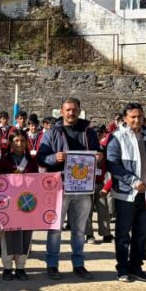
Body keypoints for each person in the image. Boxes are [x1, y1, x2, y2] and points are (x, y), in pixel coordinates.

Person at [37, 97, 103, 280]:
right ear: (61, 111)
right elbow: (41, 157)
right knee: (55, 228)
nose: (71, 113)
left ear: (79, 110)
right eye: (67, 110)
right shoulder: (52, 132)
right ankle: (52, 264)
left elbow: (98, 151)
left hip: (83, 188)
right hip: (60, 187)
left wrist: (99, 156)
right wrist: (54, 158)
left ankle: (79, 264)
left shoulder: (89, 132)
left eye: (74, 110)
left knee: (80, 229)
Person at [107, 103, 146, 283]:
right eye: (133, 117)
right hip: (126, 193)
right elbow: (113, 165)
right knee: (123, 233)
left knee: (142, 233)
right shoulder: (116, 137)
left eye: (140, 116)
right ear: (125, 119)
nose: (137, 120)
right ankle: (122, 268)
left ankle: (136, 267)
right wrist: (133, 181)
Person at [0, 129, 39, 280]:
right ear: (11, 143)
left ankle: (21, 267)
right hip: (9, 205)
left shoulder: (32, 162)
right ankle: (7, 267)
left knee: (25, 236)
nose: (19, 144)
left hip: (26, 204)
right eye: (16, 141)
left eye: (22, 141)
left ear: (26, 143)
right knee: (8, 235)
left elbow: (37, 182)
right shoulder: (5, 161)